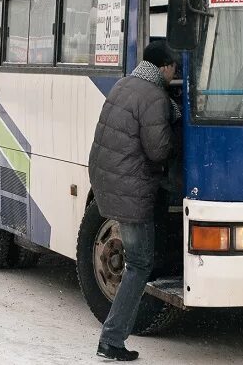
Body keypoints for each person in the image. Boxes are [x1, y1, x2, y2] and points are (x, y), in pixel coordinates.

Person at [88, 40, 179, 361]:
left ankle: (111, 338)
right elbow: (158, 150)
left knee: (137, 261)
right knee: (140, 264)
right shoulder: (155, 96)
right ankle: (111, 340)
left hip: (108, 181)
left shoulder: (125, 83)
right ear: (165, 67)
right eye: (174, 69)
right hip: (130, 188)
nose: (174, 74)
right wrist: (175, 122)